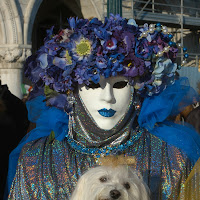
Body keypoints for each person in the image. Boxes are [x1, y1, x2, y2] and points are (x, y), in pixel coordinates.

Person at [5, 15, 200, 199]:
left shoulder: (173, 158)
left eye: (120, 85)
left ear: (137, 91)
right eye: (93, 84)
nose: (107, 97)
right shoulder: (37, 159)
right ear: (71, 92)